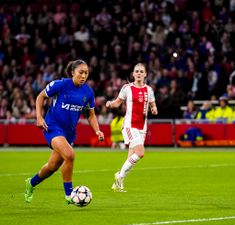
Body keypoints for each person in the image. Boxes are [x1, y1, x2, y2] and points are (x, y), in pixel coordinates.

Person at [24, 59, 104, 204]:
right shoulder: (60, 84)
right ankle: (69, 195)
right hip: (52, 126)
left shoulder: (88, 92)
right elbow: (40, 96)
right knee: (70, 154)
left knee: (52, 167)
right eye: (81, 72)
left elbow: (90, 115)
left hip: (69, 133)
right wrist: (39, 117)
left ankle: (31, 183)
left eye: (86, 73)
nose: (84, 76)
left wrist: (97, 131)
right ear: (73, 72)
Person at [106, 63, 158, 192]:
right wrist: (110, 104)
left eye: (141, 71)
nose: (139, 73)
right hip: (130, 125)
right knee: (140, 153)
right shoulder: (127, 88)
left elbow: (152, 103)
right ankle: (119, 176)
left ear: (145, 74)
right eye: (137, 71)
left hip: (142, 127)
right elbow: (118, 101)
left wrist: (154, 108)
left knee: (131, 157)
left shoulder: (149, 90)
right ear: (133, 74)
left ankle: (117, 184)